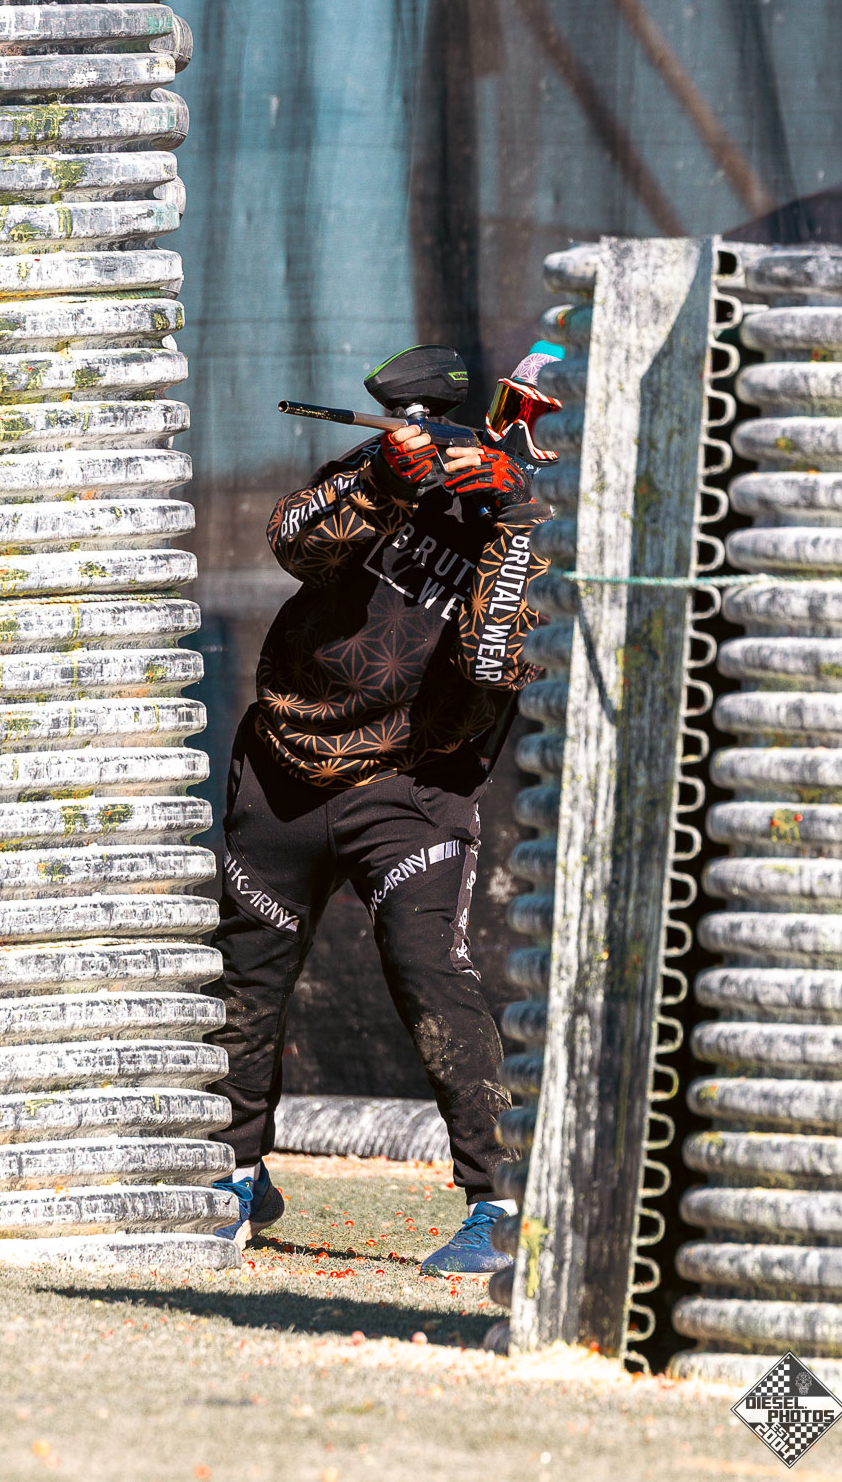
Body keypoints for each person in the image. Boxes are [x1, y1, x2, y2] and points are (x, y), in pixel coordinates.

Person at [206, 345, 560, 1274]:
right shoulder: (382, 468)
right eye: (520, 414)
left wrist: (511, 520)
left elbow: (492, 661)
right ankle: (235, 1175)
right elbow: (293, 541)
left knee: (427, 970)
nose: (525, 434)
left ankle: (496, 1204)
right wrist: (380, 482)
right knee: (247, 976)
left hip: (413, 783)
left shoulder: (546, 530)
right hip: (283, 761)